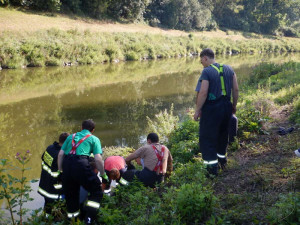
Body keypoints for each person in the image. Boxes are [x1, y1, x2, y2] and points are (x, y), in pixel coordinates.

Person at [193, 48, 239, 176]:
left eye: (201, 60)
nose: (201, 63)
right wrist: (233, 105)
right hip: (226, 107)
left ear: (205, 58)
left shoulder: (207, 72)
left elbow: (203, 93)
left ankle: (212, 169)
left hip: (212, 109)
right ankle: (222, 161)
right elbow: (236, 90)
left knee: (207, 138)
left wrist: (197, 110)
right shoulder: (229, 69)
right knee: (223, 135)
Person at [57, 119, 108, 224]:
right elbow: (98, 159)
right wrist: (103, 174)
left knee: (71, 195)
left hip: (67, 164)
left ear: (81, 127)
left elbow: (61, 154)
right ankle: (88, 220)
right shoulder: (94, 139)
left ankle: (73, 220)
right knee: (96, 191)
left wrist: (60, 171)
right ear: (93, 130)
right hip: (81, 164)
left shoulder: (70, 137)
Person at [38, 132, 69, 217]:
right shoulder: (61, 156)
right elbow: (61, 175)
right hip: (54, 189)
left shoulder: (50, 148)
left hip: (44, 184)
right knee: (59, 209)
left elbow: (43, 159)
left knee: (47, 207)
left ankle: (45, 219)